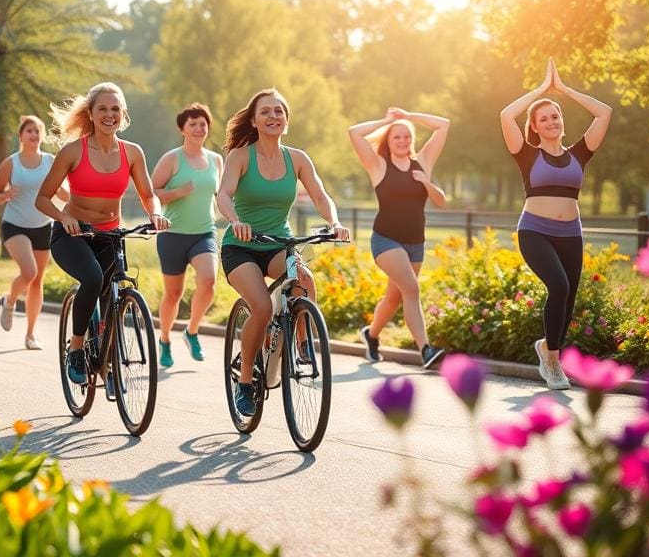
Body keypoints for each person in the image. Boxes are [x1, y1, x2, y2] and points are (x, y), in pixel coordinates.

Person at [216, 88, 349, 417]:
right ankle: (245, 380)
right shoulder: (241, 156)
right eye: (266, 112)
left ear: (286, 121)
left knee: (304, 278)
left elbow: (319, 195)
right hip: (241, 246)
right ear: (254, 120)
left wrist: (333, 221)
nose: (273, 116)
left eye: (279, 112)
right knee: (260, 306)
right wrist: (235, 221)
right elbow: (223, 195)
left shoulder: (298, 159)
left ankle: (302, 344)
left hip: (277, 243)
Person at [34, 82, 169, 387]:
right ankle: (78, 348)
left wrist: (156, 213)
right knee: (93, 279)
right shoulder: (72, 151)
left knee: (114, 293)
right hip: (73, 235)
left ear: (123, 114)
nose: (110, 114)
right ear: (91, 114)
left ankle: (107, 362)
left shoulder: (132, 152)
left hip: (111, 235)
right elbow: (42, 198)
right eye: (103, 109)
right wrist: (64, 216)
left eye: (115, 109)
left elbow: (149, 195)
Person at [500, 59, 611, 390]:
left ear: (562, 121)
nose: (551, 121)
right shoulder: (526, 154)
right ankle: (553, 362)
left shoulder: (580, 152)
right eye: (543, 118)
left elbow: (604, 112)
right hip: (534, 231)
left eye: (555, 116)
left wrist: (563, 90)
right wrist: (539, 91)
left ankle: (546, 351)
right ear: (534, 126)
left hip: (570, 234)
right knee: (559, 286)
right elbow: (506, 116)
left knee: (569, 298)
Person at [348, 107, 450, 370]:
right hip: (385, 240)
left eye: (407, 137)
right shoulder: (378, 165)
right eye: (397, 137)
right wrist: (387, 121)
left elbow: (443, 124)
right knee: (412, 288)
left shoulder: (423, 163)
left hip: (416, 243)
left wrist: (409, 116)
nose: (403, 141)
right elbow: (354, 133)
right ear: (388, 141)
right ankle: (425, 350)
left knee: (395, 297)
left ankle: (370, 335)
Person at [151, 102, 224, 367]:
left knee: (208, 281)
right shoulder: (172, 159)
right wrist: (176, 193)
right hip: (172, 234)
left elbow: (222, 195)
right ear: (182, 129)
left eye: (202, 123)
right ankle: (166, 339)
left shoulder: (216, 160)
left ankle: (192, 330)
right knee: (173, 294)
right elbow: (151, 192)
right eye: (192, 124)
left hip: (204, 232)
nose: (198, 128)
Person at [0, 115, 67, 350]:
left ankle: (31, 334)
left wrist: (79, 204)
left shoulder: (50, 161)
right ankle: (11, 301)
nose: (34, 135)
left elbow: (62, 192)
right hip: (15, 225)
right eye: (29, 131)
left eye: (37, 131)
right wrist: (6, 194)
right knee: (29, 272)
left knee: (36, 281)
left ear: (42, 136)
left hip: (43, 226)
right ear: (21, 135)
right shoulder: (10, 164)